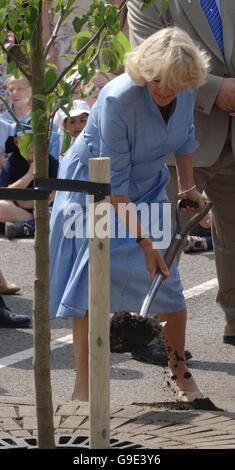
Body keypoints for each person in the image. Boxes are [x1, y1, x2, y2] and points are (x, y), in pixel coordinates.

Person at [49, 27, 209, 402]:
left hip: (149, 184)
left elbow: (184, 140)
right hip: (96, 188)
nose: (164, 91)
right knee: (93, 279)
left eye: (172, 85)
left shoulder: (184, 88)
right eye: (156, 82)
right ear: (143, 71)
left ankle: (181, 375)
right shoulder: (118, 100)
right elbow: (115, 188)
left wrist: (187, 189)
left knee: (167, 280)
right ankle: (83, 389)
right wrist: (144, 241)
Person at [127, 0, 235, 348]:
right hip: (179, 141)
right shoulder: (149, 2)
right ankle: (155, 332)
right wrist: (216, 90)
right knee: (162, 239)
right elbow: (148, 57)